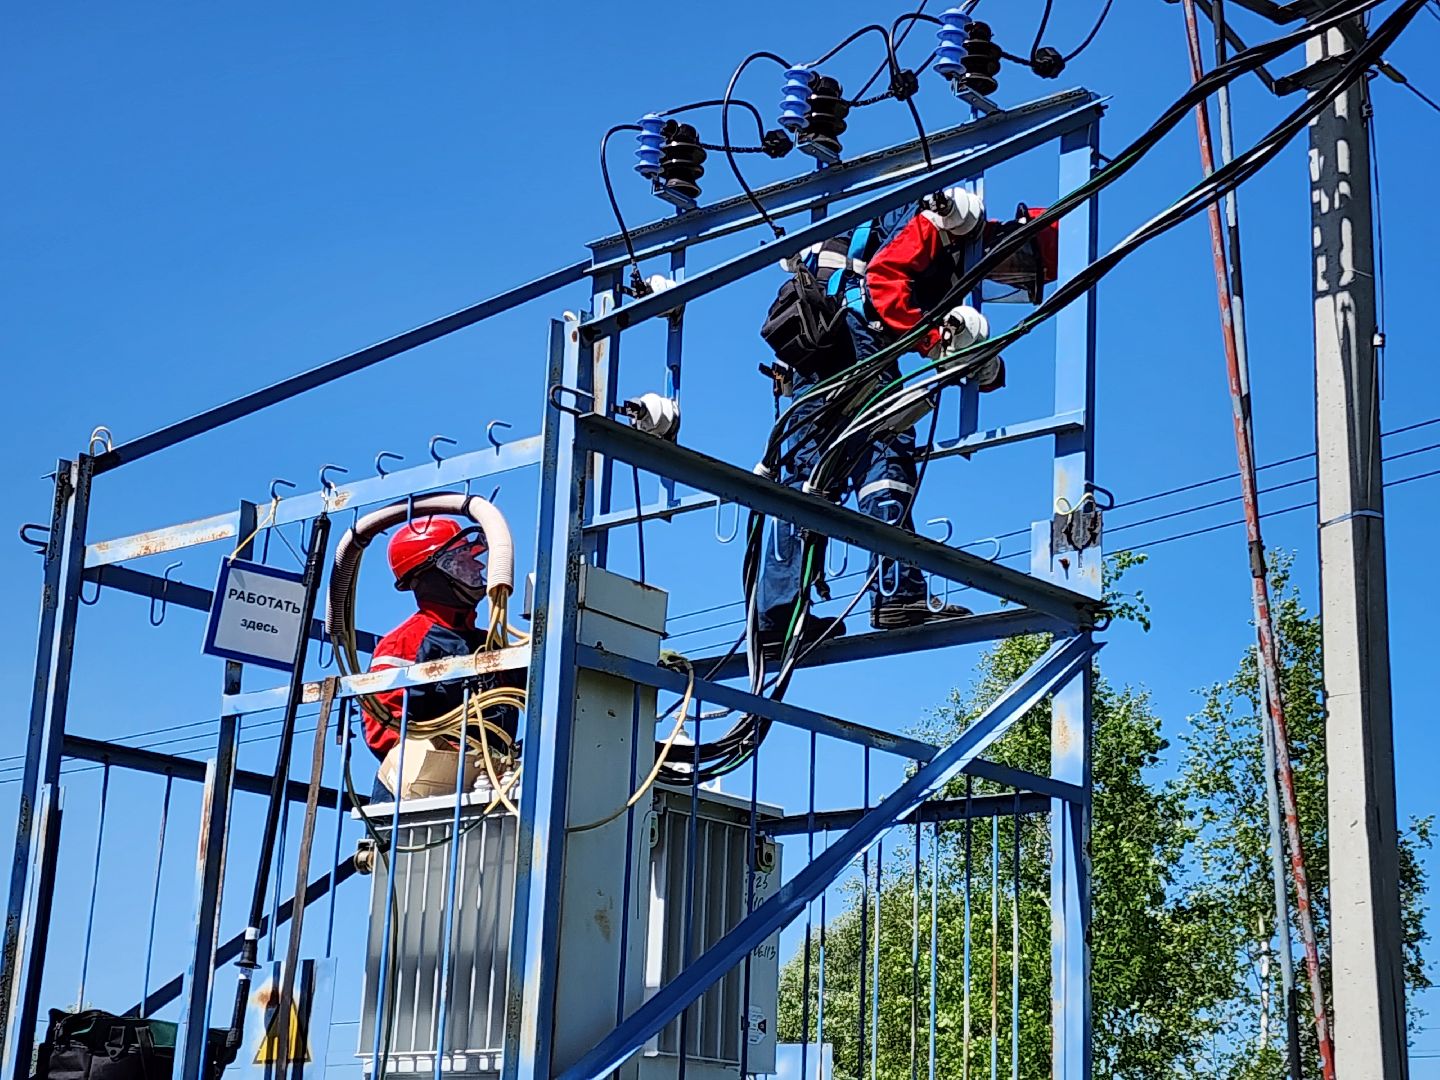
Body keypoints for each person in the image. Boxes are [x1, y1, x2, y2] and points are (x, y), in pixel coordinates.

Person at [755, 188, 1013, 646]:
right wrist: (934, 339)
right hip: (855, 339)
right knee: (883, 451)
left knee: (803, 475)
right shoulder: (930, 217)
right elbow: (885, 280)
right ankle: (897, 594)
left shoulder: (862, 219)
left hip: (813, 347)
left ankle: (778, 620)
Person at [363, 516, 521, 802]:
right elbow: (383, 728)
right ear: (431, 573)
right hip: (416, 799)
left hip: (485, 790)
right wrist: (459, 755)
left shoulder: (492, 644)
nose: (480, 565)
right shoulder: (405, 642)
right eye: (462, 558)